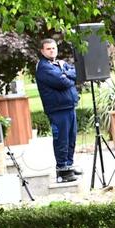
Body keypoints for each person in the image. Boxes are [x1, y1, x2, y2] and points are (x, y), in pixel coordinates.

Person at [35, 38, 80, 183]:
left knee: (71, 139)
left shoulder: (60, 64)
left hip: (69, 106)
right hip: (57, 109)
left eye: (54, 48)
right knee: (61, 139)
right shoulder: (44, 67)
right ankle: (62, 171)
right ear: (42, 51)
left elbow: (76, 73)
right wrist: (68, 77)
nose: (52, 50)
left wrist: (66, 73)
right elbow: (62, 82)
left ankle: (69, 166)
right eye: (48, 49)